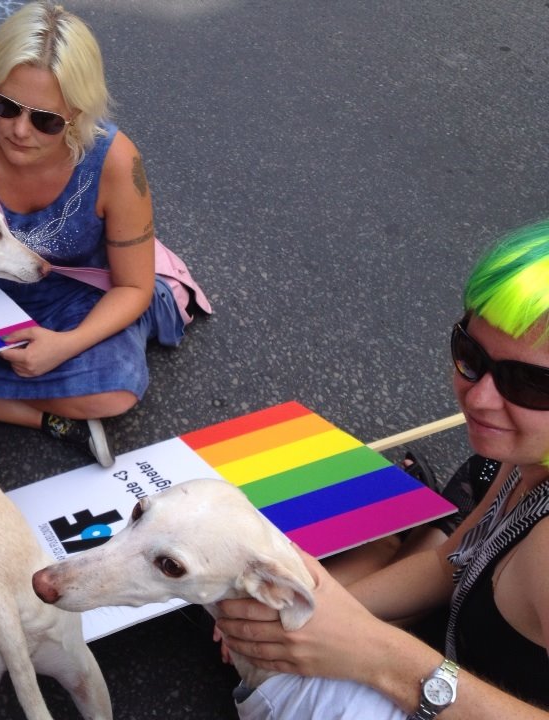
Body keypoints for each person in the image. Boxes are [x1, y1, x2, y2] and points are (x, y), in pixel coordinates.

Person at [215, 219, 549, 718]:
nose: (478, 398)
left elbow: (387, 649)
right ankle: (423, 522)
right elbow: (451, 565)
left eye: (528, 385)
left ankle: (419, 520)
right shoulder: (528, 454)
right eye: (471, 355)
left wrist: (378, 655)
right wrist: (309, 615)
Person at [0, 2, 201, 467]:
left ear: (80, 115)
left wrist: (65, 345)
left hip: (82, 293)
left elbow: (134, 286)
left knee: (113, 392)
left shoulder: (117, 162)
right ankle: (37, 417)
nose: (19, 131)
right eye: (4, 106)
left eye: (46, 120)